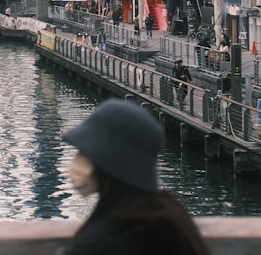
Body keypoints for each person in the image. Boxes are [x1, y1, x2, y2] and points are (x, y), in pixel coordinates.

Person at [60, 99, 211, 255]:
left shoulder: (101, 243)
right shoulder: (172, 218)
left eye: (85, 153)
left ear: (109, 162)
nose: (76, 162)